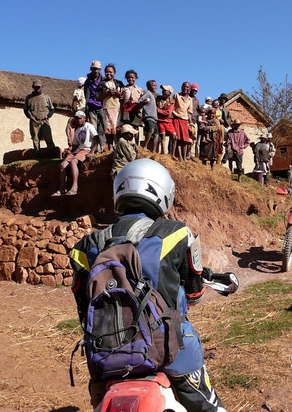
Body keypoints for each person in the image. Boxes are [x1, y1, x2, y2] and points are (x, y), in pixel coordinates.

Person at [69, 158, 227, 411]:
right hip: (171, 349)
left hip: (106, 353)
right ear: (163, 191)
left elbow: (83, 308)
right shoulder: (177, 233)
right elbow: (194, 291)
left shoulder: (85, 246)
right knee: (207, 406)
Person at [52, 111, 98, 196]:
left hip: (86, 149)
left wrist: (92, 152)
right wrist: (71, 154)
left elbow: (96, 139)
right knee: (62, 165)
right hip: (79, 150)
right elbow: (75, 145)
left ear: (84, 118)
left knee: (73, 162)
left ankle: (74, 187)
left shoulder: (89, 126)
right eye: (77, 118)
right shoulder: (77, 130)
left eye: (80, 118)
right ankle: (62, 189)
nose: (78, 120)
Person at [97, 63, 125, 150]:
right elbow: (98, 97)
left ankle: (118, 147)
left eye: (110, 72)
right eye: (106, 72)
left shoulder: (119, 83)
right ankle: (110, 148)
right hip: (106, 108)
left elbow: (124, 96)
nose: (108, 74)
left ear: (114, 73)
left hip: (117, 109)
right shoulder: (102, 84)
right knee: (108, 130)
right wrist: (108, 93)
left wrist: (119, 94)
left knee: (117, 129)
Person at [23, 80, 55, 153]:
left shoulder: (46, 97)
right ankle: (37, 153)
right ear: (33, 87)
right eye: (36, 87)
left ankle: (52, 153)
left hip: (44, 120)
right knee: (35, 138)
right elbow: (25, 109)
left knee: (48, 137)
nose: (37, 88)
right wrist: (29, 116)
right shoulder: (29, 98)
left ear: (42, 87)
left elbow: (52, 109)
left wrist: (48, 116)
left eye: (39, 87)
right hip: (33, 120)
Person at [84, 61, 105, 152]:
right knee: (94, 129)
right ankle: (96, 149)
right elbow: (86, 95)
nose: (95, 71)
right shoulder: (88, 81)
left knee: (103, 128)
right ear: (91, 69)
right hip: (92, 106)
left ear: (100, 70)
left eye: (97, 69)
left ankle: (102, 147)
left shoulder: (103, 80)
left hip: (102, 106)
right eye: (94, 69)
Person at [171, 82, 194, 161]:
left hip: (185, 120)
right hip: (176, 118)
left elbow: (189, 112)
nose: (185, 88)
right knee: (178, 139)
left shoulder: (190, 99)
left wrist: (191, 123)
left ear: (189, 89)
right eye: (184, 87)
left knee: (185, 140)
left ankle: (184, 157)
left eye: (187, 87)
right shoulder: (176, 95)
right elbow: (171, 107)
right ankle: (179, 156)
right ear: (181, 87)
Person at [120, 69, 144, 136]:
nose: (130, 79)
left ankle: (135, 143)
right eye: (128, 78)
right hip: (126, 110)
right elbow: (121, 99)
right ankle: (129, 141)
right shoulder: (123, 89)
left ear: (135, 78)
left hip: (136, 109)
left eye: (132, 78)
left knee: (135, 126)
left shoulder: (139, 89)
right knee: (127, 126)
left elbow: (142, 100)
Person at [138, 79, 159, 151]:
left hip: (154, 117)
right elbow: (140, 101)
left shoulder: (153, 95)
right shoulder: (147, 93)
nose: (155, 87)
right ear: (148, 86)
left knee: (156, 134)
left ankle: (154, 150)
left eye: (156, 85)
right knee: (151, 130)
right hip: (148, 116)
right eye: (153, 85)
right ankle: (145, 146)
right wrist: (144, 102)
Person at [66, 77, 87, 146]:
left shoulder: (82, 92)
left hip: (82, 112)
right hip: (81, 112)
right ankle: (72, 144)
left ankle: (73, 144)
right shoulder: (79, 91)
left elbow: (74, 101)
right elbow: (75, 101)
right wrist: (76, 113)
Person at [157, 85, 176, 155]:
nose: (163, 92)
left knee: (174, 136)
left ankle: (172, 154)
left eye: (165, 90)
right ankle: (163, 153)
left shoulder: (171, 101)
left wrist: (158, 110)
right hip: (160, 121)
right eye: (163, 90)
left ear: (169, 93)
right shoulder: (158, 99)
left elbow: (168, 112)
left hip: (168, 121)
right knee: (163, 136)